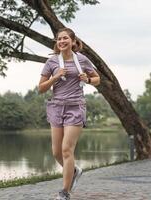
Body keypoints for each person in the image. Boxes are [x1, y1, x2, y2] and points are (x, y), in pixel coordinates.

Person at [38, 28, 100, 200]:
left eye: (65, 38)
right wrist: (55, 77)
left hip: (75, 108)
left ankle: (65, 192)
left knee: (66, 149)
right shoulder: (52, 62)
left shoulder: (82, 60)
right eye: (59, 39)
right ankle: (74, 171)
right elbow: (41, 88)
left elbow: (97, 79)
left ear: (73, 41)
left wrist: (87, 79)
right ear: (57, 42)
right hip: (56, 108)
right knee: (56, 152)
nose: (62, 41)